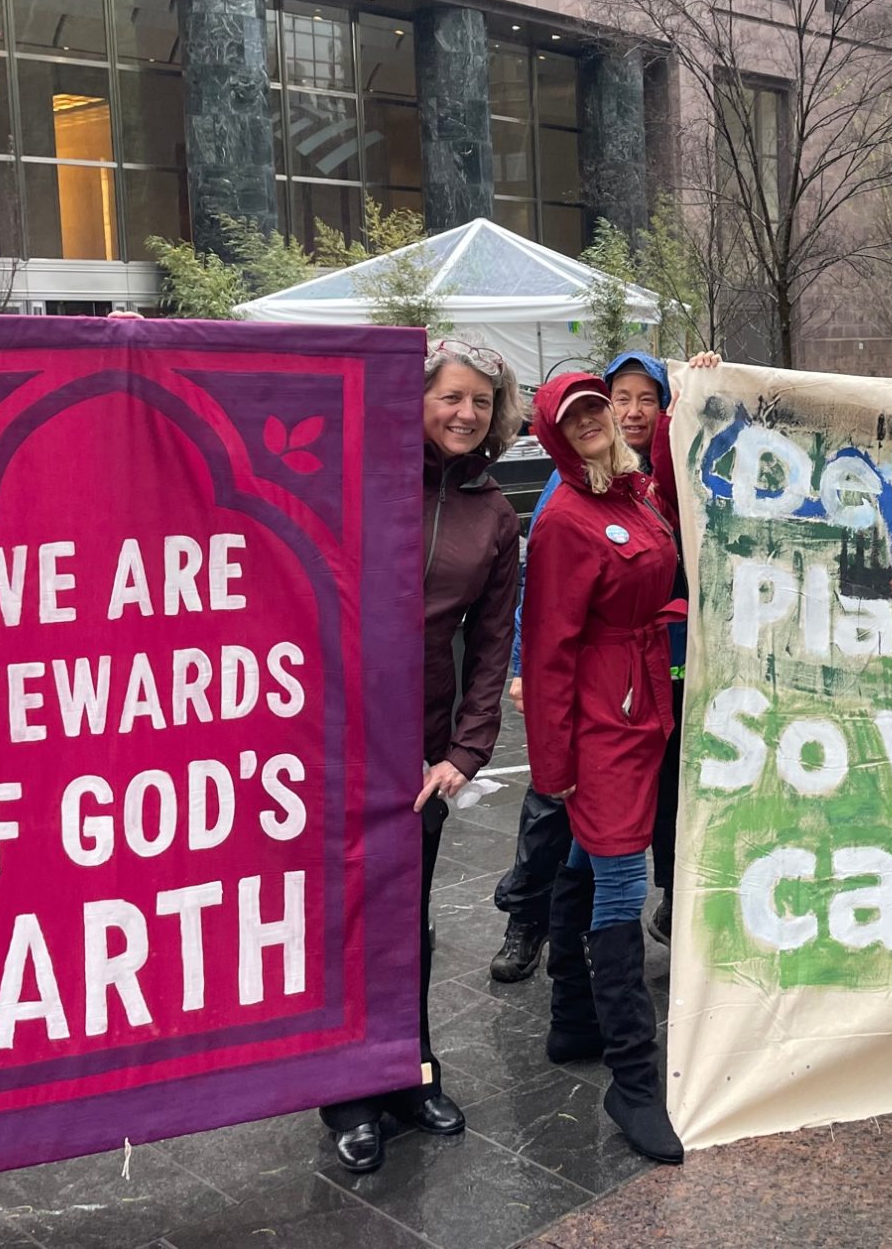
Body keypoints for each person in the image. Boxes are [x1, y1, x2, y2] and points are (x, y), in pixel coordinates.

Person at [319, 339, 522, 1173]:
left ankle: (409, 1070)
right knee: (343, 916)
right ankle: (346, 1092)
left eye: (482, 401)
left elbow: (492, 644)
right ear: (419, 398)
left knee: (408, 918)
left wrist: (467, 752)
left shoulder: (495, 515)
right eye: (452, 397)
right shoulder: (357, 473)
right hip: (334, 733)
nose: (467, 413)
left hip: (425, 749)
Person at [490, 350, 718, 983]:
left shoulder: (638, 490)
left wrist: (692, 392)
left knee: (611, 841)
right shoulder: (566, 507)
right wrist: (527, 687)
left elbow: (678, 485)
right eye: (619, 399)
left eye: (648, 399)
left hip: (653, 687)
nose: (627, 411)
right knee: (570, 826)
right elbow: (545, 621)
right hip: (602, 702)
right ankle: (539, 938)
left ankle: (573, 1006)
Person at [520, 372, 687, 1162]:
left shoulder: (635, 493)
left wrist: (692, 395)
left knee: (589, 858)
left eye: (598, 409)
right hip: (601, 721)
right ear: (556, 430)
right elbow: (549, 650)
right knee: (621, 879)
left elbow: (665, 561)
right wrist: (554, 769)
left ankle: (572, 1023)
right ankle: (633, 1077)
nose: (592, 420)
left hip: (641, 700)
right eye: (576, 414)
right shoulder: (564, 520)